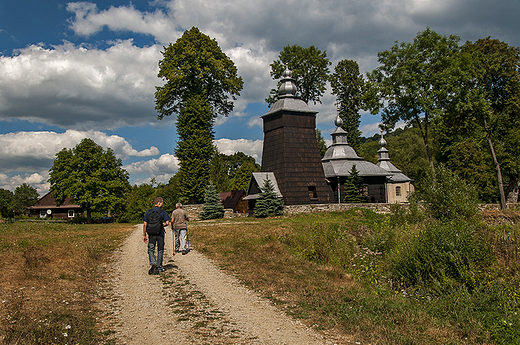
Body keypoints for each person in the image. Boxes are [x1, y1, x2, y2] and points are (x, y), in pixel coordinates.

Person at [143, 197, 170, 274]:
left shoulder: (148, 212)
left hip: (151, 233)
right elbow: (167, 223)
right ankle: (159, 266)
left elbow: (145, 224)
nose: (162, 204)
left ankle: (153, 263)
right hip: (160, 233)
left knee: (151, 249)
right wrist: (161, 225)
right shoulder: (162, 212)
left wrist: (144, 235)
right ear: (159, 203)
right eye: (162, 203)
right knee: (160, 249)